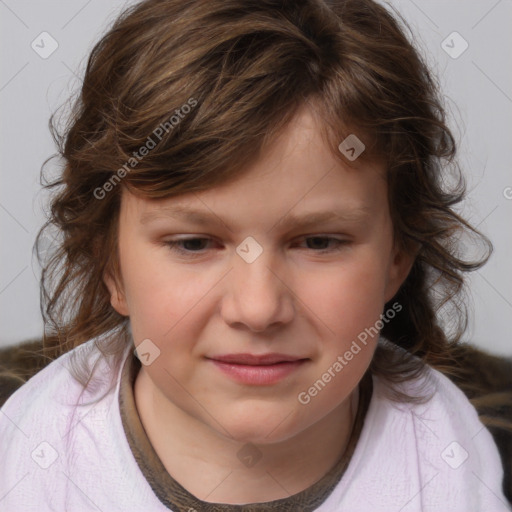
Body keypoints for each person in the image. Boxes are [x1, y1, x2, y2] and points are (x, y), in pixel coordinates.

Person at [0, 0, 510, 510]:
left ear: (397, 258)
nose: (258, 308)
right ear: (110, 265)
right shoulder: (30, 465)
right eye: (194, 244)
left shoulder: (446, 463)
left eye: (318, 242)